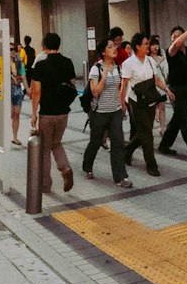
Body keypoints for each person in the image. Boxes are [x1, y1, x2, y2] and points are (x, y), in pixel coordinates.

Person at [28, 32, 76, 194]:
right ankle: (65, 168)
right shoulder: (68, 62)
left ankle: (45, 184)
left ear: (44, 46)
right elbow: (72, 86)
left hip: (47, 114)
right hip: (63, 113)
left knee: (45, 148)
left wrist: (34, 113)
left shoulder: (41, 66)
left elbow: (36, 92)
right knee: (56, 143)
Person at [80, 39, 131, 187]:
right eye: (110, 47)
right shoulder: (96, 68)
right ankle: (87, 166)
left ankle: (121, 177)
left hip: (115, 111)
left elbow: (119, 89)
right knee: (95, 142)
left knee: (118, 143)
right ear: (103, 52)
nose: (114, 48)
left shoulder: (119, 68)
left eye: (114, 46)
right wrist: (104, 76)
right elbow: (95, 92)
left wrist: (122, 106)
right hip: (99, 112)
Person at [121, 33, 171, 177]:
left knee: (144, 131)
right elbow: (123, 86)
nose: (148, 46)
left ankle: (127, 151)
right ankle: (151, 165)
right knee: (147, 134)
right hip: (136, 102)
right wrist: (122, 105)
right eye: (145, 44)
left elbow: (156, 80)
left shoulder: (150, 61)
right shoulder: (128, 63)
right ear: (137, 46)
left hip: (149, 99)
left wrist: (167, 90)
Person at [158, 24, 187, 160]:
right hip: (175, 89)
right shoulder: (171, 51)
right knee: (184, 120)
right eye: (173, 37)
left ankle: (164, 145)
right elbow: (177, 45)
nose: (176, 39)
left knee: (177, 119)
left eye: (178, 36)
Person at [148, 35, 168, 140]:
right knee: (151, 109)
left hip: (161, 85)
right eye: (153, 45)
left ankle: (162, 128)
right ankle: (149, 129)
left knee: (162, 107)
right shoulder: (147, 59)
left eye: (157, 45)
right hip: (151, 86)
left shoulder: (162, 57)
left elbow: (166, 70)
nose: (155, 47)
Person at [9, 40, 26, 145]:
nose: (12, 52)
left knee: (17, 113)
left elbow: (23, 74)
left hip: (18, 89)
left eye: (13, 49)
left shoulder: (18, 61)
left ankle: (15, 137)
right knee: (10, 113)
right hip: (7, 89)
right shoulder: (2, 62)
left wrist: (27, 88)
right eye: (10, 49)